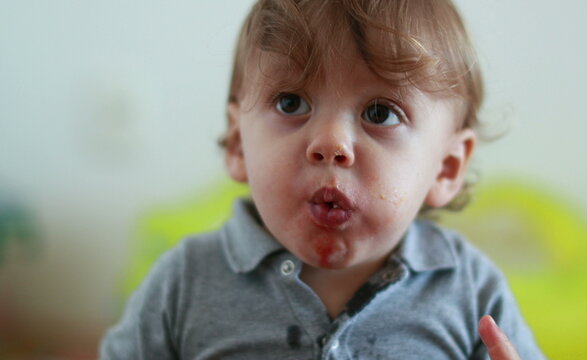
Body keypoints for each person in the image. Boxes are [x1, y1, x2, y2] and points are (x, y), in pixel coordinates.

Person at [100, 0, 545, 359]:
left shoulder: (471, 292)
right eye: (291, 103)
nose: (331, 143)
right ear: (238, 144)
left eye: (380, 113)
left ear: (446, 168)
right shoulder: (185, 282)